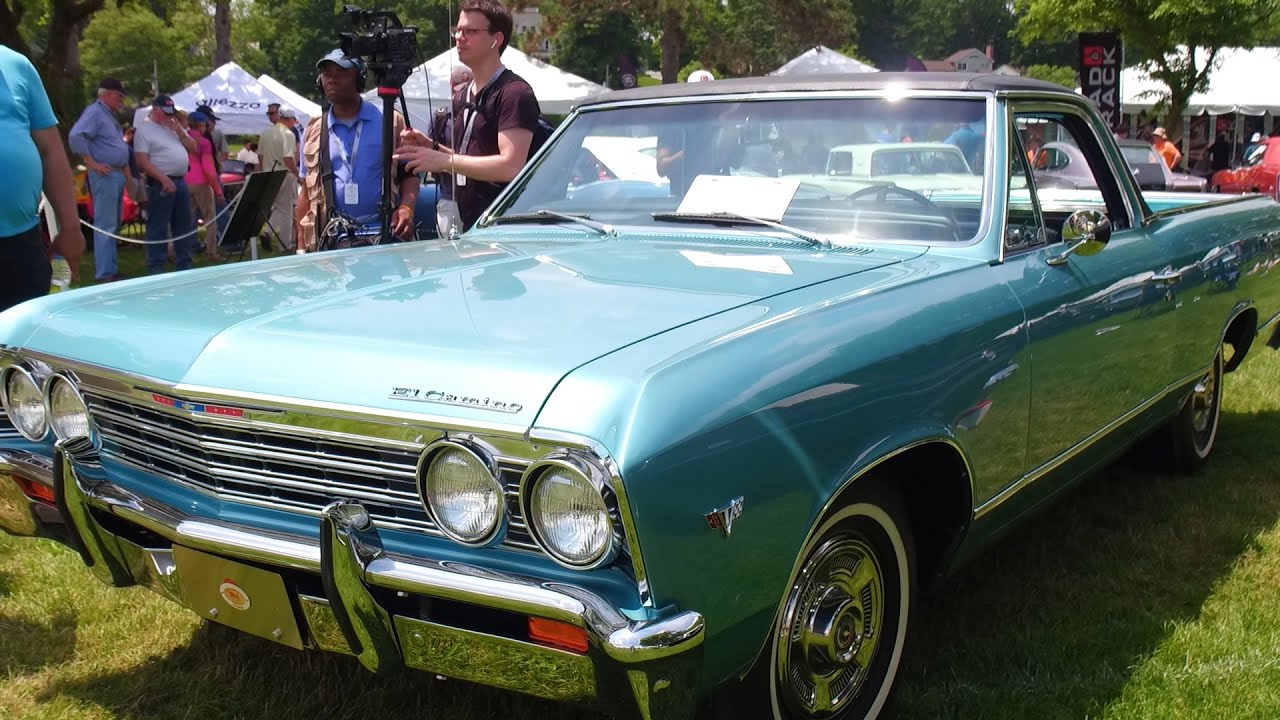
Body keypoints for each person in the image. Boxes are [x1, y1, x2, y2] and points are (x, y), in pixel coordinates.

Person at [396, 0, 540, 234]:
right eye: (458, 30)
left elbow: (511, 166)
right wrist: (433, 148)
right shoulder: (464, 93)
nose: (459, 37)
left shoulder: (514, 92)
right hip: (470, 224)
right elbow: (470, 159)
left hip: (503, 229)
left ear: (497, 39)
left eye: (470, 31)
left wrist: (443, 161)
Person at [294, 49, 419, 251]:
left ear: (359, 80)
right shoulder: (314, 129)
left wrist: (406, 208)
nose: (332, 80)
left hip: (384, 233)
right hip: (331, 236)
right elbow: (305, 192)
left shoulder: (389, 121)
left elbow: (410, 175)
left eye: (341, 73)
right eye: (327, 74)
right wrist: (301, 244)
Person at [0, 44, 83, 311]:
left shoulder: (17, 65)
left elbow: (51, 151)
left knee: (22, 346)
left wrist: (70, 226)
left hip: (20, 243)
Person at [69, 77, 133, 282]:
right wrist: (91, 163)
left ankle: (110, 268)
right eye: (118, 96)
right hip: (104, 174)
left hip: (114, 173)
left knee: (112, 224)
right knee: (105, 224)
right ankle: (104, 272)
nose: (121, 100)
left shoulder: (107, 115)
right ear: (106, 94)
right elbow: (76, 136)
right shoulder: (95, 112)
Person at [134, 94, 199, 274]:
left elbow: (193, 147)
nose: (169, 116)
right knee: (158, 226)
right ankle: (156, 266)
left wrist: (179, 130)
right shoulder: (145, 130)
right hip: (160, 183)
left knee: (183, 225)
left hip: (180, 180)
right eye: (165, 112)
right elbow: (142, 161)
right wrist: (163, 178)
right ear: (155, 110)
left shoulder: (173, 128)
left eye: (171, 112)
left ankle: (184, 263)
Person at [259, 103, 299, 249]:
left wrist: (264, 170)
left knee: (279, 208)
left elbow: (260, 155)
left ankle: (268, 232)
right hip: (284, 174)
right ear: (291, 119)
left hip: (268, 174)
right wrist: (297, 174)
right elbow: (288, 158)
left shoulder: (265, 133)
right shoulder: (289, 134)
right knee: (287, 210)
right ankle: (285, 244)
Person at [185, 110, 224, 260]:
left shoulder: (182, 138)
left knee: (187, 220)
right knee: (210, 219)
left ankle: (182, 250)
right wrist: (218, 190)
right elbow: (208, 169)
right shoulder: (203, 142)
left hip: (184, 181)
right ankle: (211, 252)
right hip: (202, 183)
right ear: (202, 125)